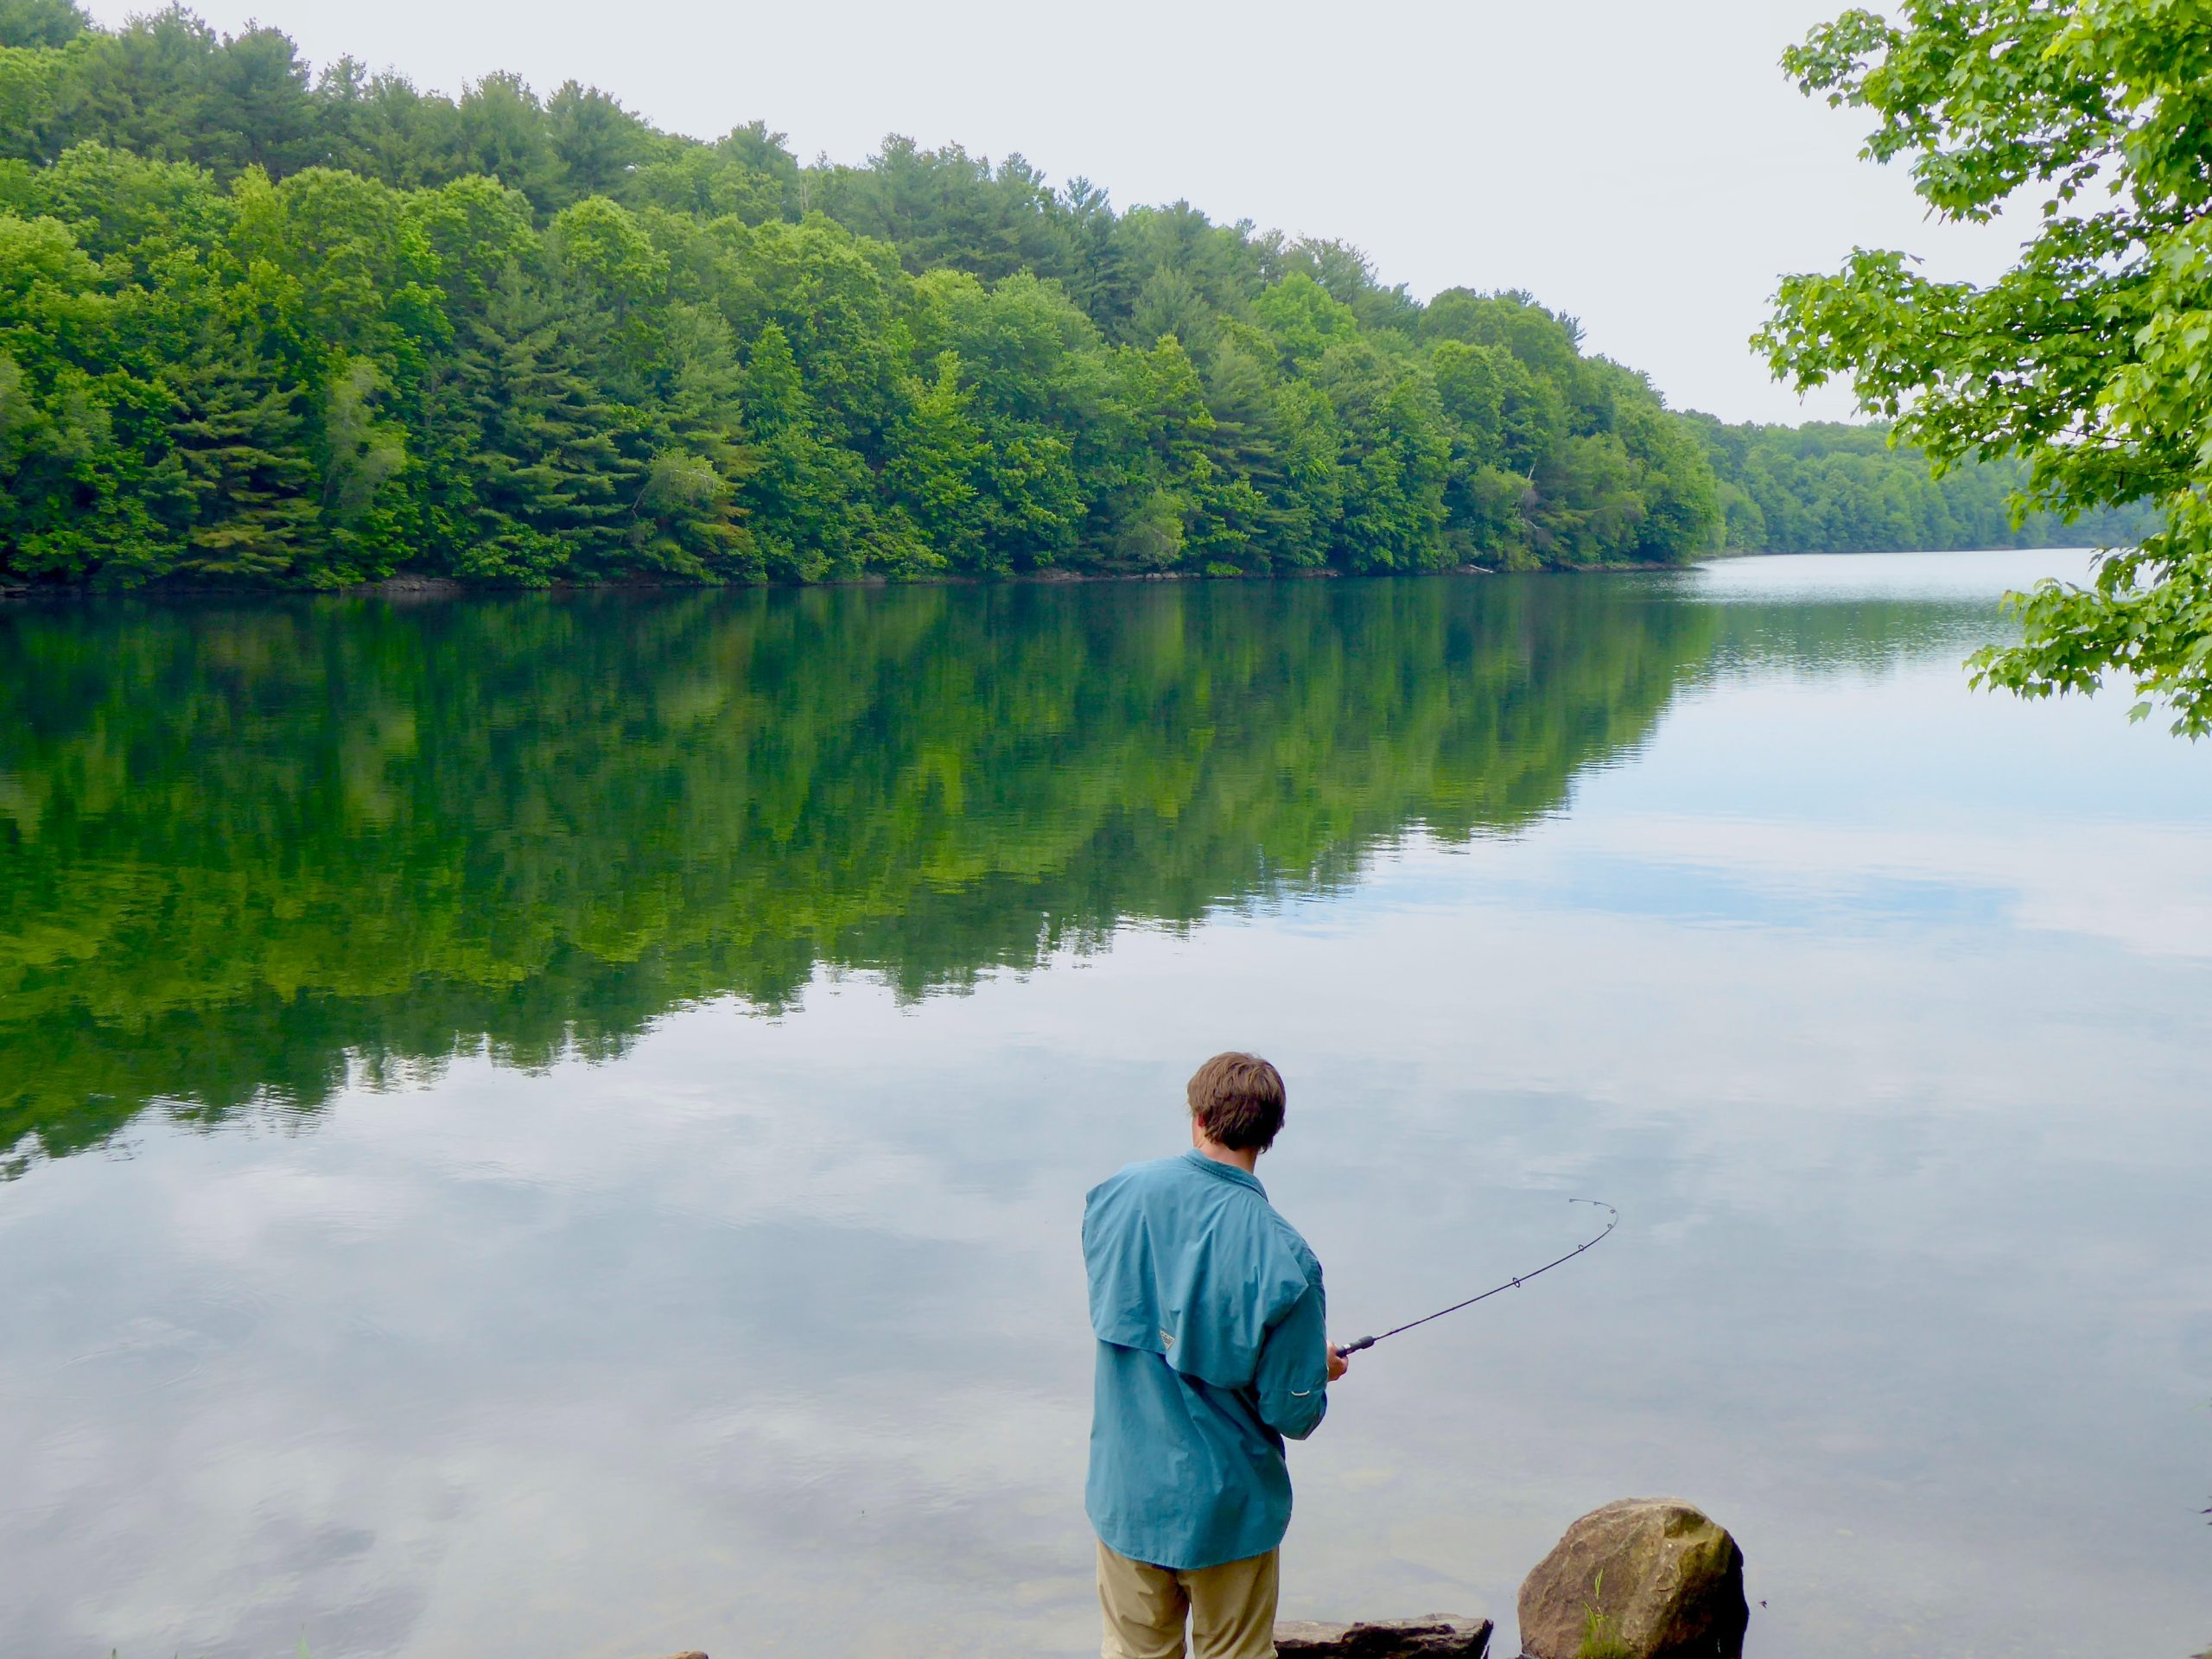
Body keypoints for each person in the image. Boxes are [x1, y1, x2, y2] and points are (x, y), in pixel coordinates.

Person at [1082, 1052, 1349, 1659]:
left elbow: (1124, 1302)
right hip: (1228, 1511)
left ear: (1199, 1117)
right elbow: (1293, 1414)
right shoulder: (1290, 1261)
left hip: (1127, 1492)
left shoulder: (1116, 1195)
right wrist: (1316, 1368)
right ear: (1271, 1135)